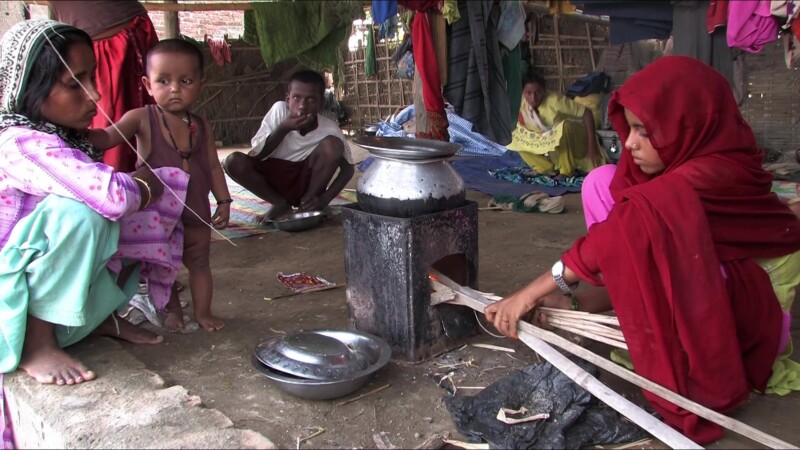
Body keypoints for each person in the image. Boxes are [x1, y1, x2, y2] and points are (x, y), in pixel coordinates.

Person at [485, 56, 800, 444]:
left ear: (684, 126)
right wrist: (571, 299)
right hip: (696, 269)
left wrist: (531, 293)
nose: (629, 143)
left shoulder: (710, 172)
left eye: (643, 132)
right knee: (602, 182)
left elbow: (620, 235)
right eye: (629, 128)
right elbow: (626, 242)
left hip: (738, 296)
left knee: (642, 216)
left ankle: (676, 343)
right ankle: (626, 308)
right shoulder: (675, 166)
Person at [0, 20, 189, 385]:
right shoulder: (20, 143)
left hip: (43, 288)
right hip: (11, 305)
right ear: (30, 89)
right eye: (76, 83)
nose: (96, 95)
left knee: (152, 210)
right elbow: (112, 197)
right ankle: (38, 343)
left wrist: (152, 189)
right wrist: (145, 185)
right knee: (83, 214)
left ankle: (99, 316)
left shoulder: (63, 136)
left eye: (93, 78)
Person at [88, 39, 231, 333]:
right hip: (158, 219)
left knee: (200, 262)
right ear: (147, 84)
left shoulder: (202, 126)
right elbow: (105, 139)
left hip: (197, 213)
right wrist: (77, 129)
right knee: (163, 267)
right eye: (163, 81)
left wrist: (225, 201)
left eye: (185, 80)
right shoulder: (141, 118)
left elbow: (213, 166)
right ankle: (172, 312)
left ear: (201, 83)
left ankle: (203, 312)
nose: (175, 88)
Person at [223, 69, 354, 222]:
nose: (302, 106)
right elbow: (257, 155)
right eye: (296, 98)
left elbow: (348, 170)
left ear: (321, 103)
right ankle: (280, 204)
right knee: (232, 161)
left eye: (311, 99)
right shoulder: (279, 111)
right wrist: (283, 128)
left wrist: (324, 199)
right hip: (272, 183)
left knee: (333, 145)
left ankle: (308, 204)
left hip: (305, 183)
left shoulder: (330, 128)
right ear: (287, 99)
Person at [49, 0, 159, 173]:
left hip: (118, 43)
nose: (94, 95)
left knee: (131, 144)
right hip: (96, 46)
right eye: (73, 84)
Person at [506, 72, 602, 177]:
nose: (533, 98)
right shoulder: (522, 103)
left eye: (537, 93)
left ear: (544, 91)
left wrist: (592, 147)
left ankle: (566, 171)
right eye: (528, 93)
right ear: (523, 92)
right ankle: (545, 168)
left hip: (574, 141)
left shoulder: (556, 100)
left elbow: (587, 113)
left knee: (564, 126)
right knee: (515, 135)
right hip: (551, 146)